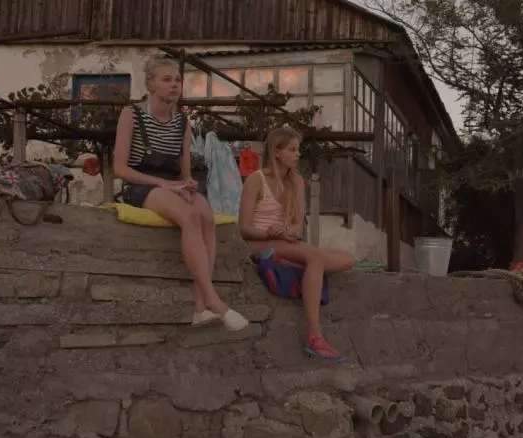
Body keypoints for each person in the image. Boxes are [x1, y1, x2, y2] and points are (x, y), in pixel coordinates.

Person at [113, 55, 248, 332]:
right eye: (167, 79)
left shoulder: (182, 123)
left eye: (177, 80)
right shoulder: (132, 114)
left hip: (171, 185)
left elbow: (185, 174)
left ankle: (200, 308)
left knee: (206, 216)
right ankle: (213, 300)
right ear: (151, 84)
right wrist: (164, 185)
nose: (174, 84)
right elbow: (120, 169)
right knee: (189, 216)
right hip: (140, 185)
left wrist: (188, 186)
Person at [238, 127, 354, 361]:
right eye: (292, 149)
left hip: (285, 242)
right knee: (315, 258)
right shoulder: (256, 180)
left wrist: (286, 233)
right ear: (277, 152)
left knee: (348, 258)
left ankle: (284, 261)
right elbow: (243, 228)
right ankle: (315, 336)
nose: (297, 154)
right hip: (259, 243)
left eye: (298, 149)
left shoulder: (297, 182)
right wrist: (268, 232)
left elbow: (298, 228)